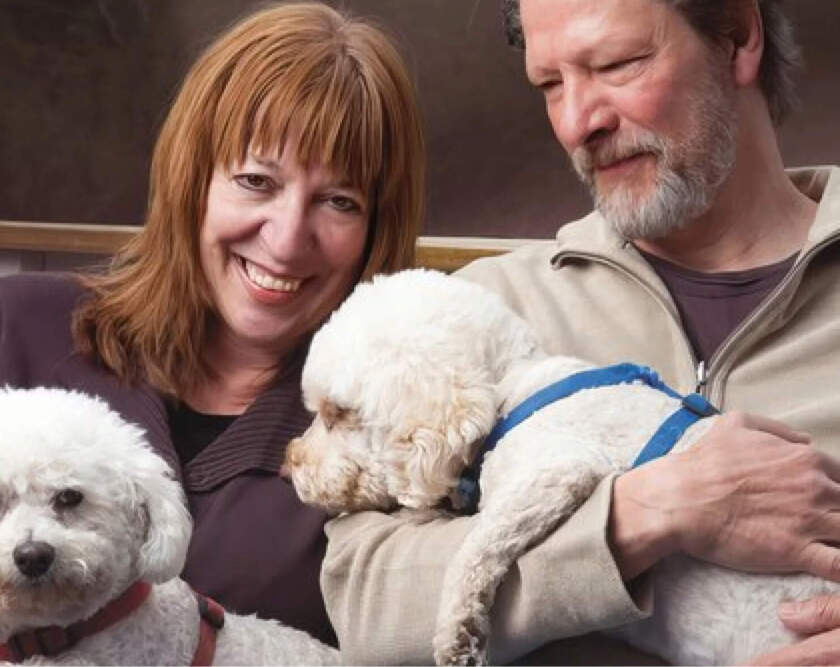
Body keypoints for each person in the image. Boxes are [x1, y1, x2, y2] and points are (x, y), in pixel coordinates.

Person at [0, 3, 425, 663]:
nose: (287, 239)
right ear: (191, 181)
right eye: (256, 181)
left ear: (377, 224)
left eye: (339, 201)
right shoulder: (16, 326)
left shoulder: (388, 429)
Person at [321, 0, 840, 664]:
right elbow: (366, 602)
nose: (576, 122)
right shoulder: (478, 316)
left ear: (738, 36)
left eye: (618, 65)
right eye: (550, 85)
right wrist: (646, 512)